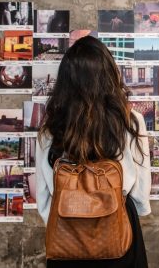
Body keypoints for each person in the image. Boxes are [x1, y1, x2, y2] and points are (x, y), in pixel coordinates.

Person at [36, 36, 151, 267]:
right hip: (118, 226)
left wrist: (66, 223)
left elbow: (44, 194)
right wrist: (137, 209)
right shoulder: (130, 121)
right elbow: (140, 191)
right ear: (109, 75)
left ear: (66, 82)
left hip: (67, 230)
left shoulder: (51, 127)